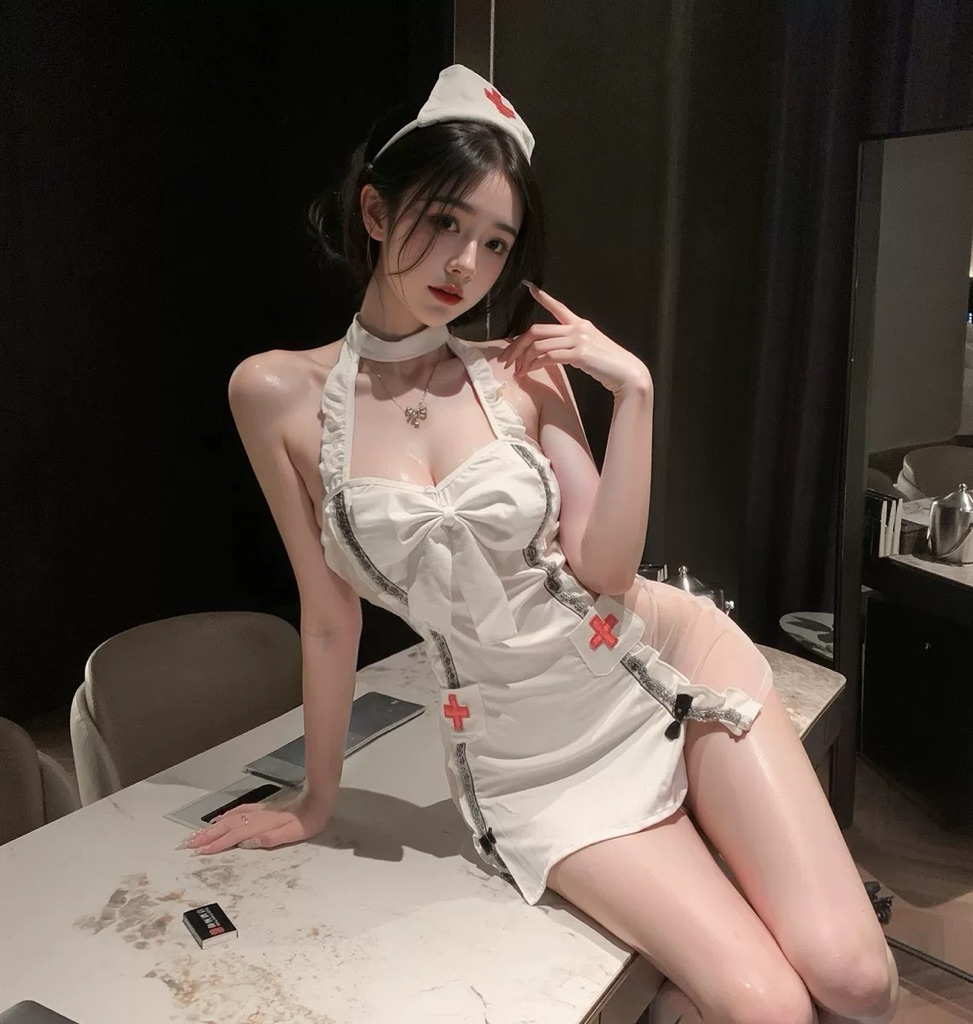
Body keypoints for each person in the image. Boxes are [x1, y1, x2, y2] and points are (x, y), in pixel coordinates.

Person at [180, 65, 899, 1024]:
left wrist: (636, 395)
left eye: (495, 242)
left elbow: (605, 570)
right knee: (766, 1006)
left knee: (858, 981)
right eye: (445, 221)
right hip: (530, 760)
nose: (465, 263)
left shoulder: (522, 370)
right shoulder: (275, 395)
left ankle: (718, 858)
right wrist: (316, 798)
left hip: (659, 664)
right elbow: (328, 615)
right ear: (376, 212)